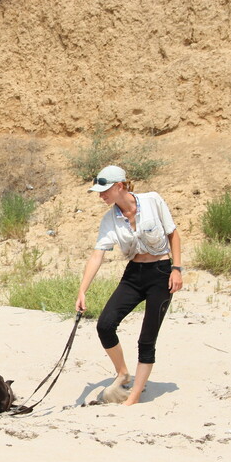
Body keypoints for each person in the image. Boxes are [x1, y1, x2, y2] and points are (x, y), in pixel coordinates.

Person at [74, 165, 183, 405]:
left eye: (105, 190)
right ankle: (122, 372)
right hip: (134, 274)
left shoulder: (152, 201)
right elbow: (97, 255)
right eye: (98, 192)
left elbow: (173, 234)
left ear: (120, 186)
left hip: (161, 274)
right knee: (105, 325)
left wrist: (176, 269)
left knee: (146, 339)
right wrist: (82, 290)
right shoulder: (110, 219)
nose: (101, 195)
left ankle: (133, 397)